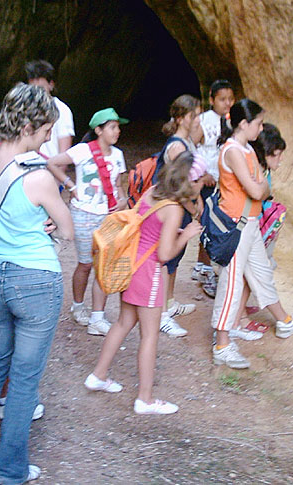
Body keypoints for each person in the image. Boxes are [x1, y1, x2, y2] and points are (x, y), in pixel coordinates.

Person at [0, 82, 74, 483]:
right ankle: (10, 468)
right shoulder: (37, 177)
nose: (49, 135)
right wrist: (52, 217)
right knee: (25, 377)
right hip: (35, 281)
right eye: (46, 128)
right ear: (30, 126)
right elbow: (66, 230)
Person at [84, 151, 203, 415]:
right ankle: (145, 399)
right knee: (149, 335)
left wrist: (175, 233)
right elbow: (164, 254)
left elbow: (150, 228)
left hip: (131, 266)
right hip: (148, 274)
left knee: (124, 322)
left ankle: (98, 375)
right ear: (188, 182)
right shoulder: (174, 208)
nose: (200, 187)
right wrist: (186, 236)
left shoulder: (155, 192)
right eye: (198, 182)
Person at [211, 99, 293, 369]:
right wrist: (260, 186)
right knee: (231, 282)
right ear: (243, 124)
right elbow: (258, 190)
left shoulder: (246, 151)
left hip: (250, 223)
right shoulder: (233, 151)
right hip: (237, 224)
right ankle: (221, 344)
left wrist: (260, 186)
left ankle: (285, 322)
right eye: (258, 123)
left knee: (261, 274)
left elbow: (261, 186)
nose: (261, 128)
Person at [47, 108, 129, 336]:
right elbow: (53, 163)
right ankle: (78, 305)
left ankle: (97, 318)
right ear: (99, 130)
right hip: (83, 214)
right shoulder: (83, 150)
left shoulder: (118, 155)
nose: (118, 131)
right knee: (85, 264)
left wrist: (122, 202)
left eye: (118, 127)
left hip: (107, 216)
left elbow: (119, 186)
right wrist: (71, 186)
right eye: (113, 127)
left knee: (104, 264)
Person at [230, 123, 287, 340]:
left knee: (248, 274)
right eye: (278, 155)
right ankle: (238, 320)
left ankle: (239, 314)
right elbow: (257, 196)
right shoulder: (256, 171)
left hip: (254, 226)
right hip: (251, 227)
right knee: (250, 274)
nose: (280, 160)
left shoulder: (260, 168)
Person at [158, 95, 203, 337]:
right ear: (180, 118)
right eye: (193, 115)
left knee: (176, 256)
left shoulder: (186, 142)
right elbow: (178, 184)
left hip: (181, 208)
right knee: (166, 259)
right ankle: (161, 315)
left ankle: (170, 302)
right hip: (173, 207)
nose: (197, 120)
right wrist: (192, 206)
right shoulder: (177, 146)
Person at [192, 79, 235, 297]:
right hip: (206, 181)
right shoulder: (203, 121)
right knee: (208, 225)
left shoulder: (231, 122)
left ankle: (203, 268)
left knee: (215, 225)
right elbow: (190, 148)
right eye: (222, 99)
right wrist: (201, 175)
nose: (227, 103)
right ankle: (206, 271)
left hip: (223, 182)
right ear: (211, 99)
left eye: (230, 99)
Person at [25, 59, 75, 158]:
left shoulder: (61, 110)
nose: (37, 94)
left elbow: (64, 153)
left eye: (41, 89)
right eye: (32, 89)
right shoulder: (24, 108)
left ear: (51, 84)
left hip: (49, 168)